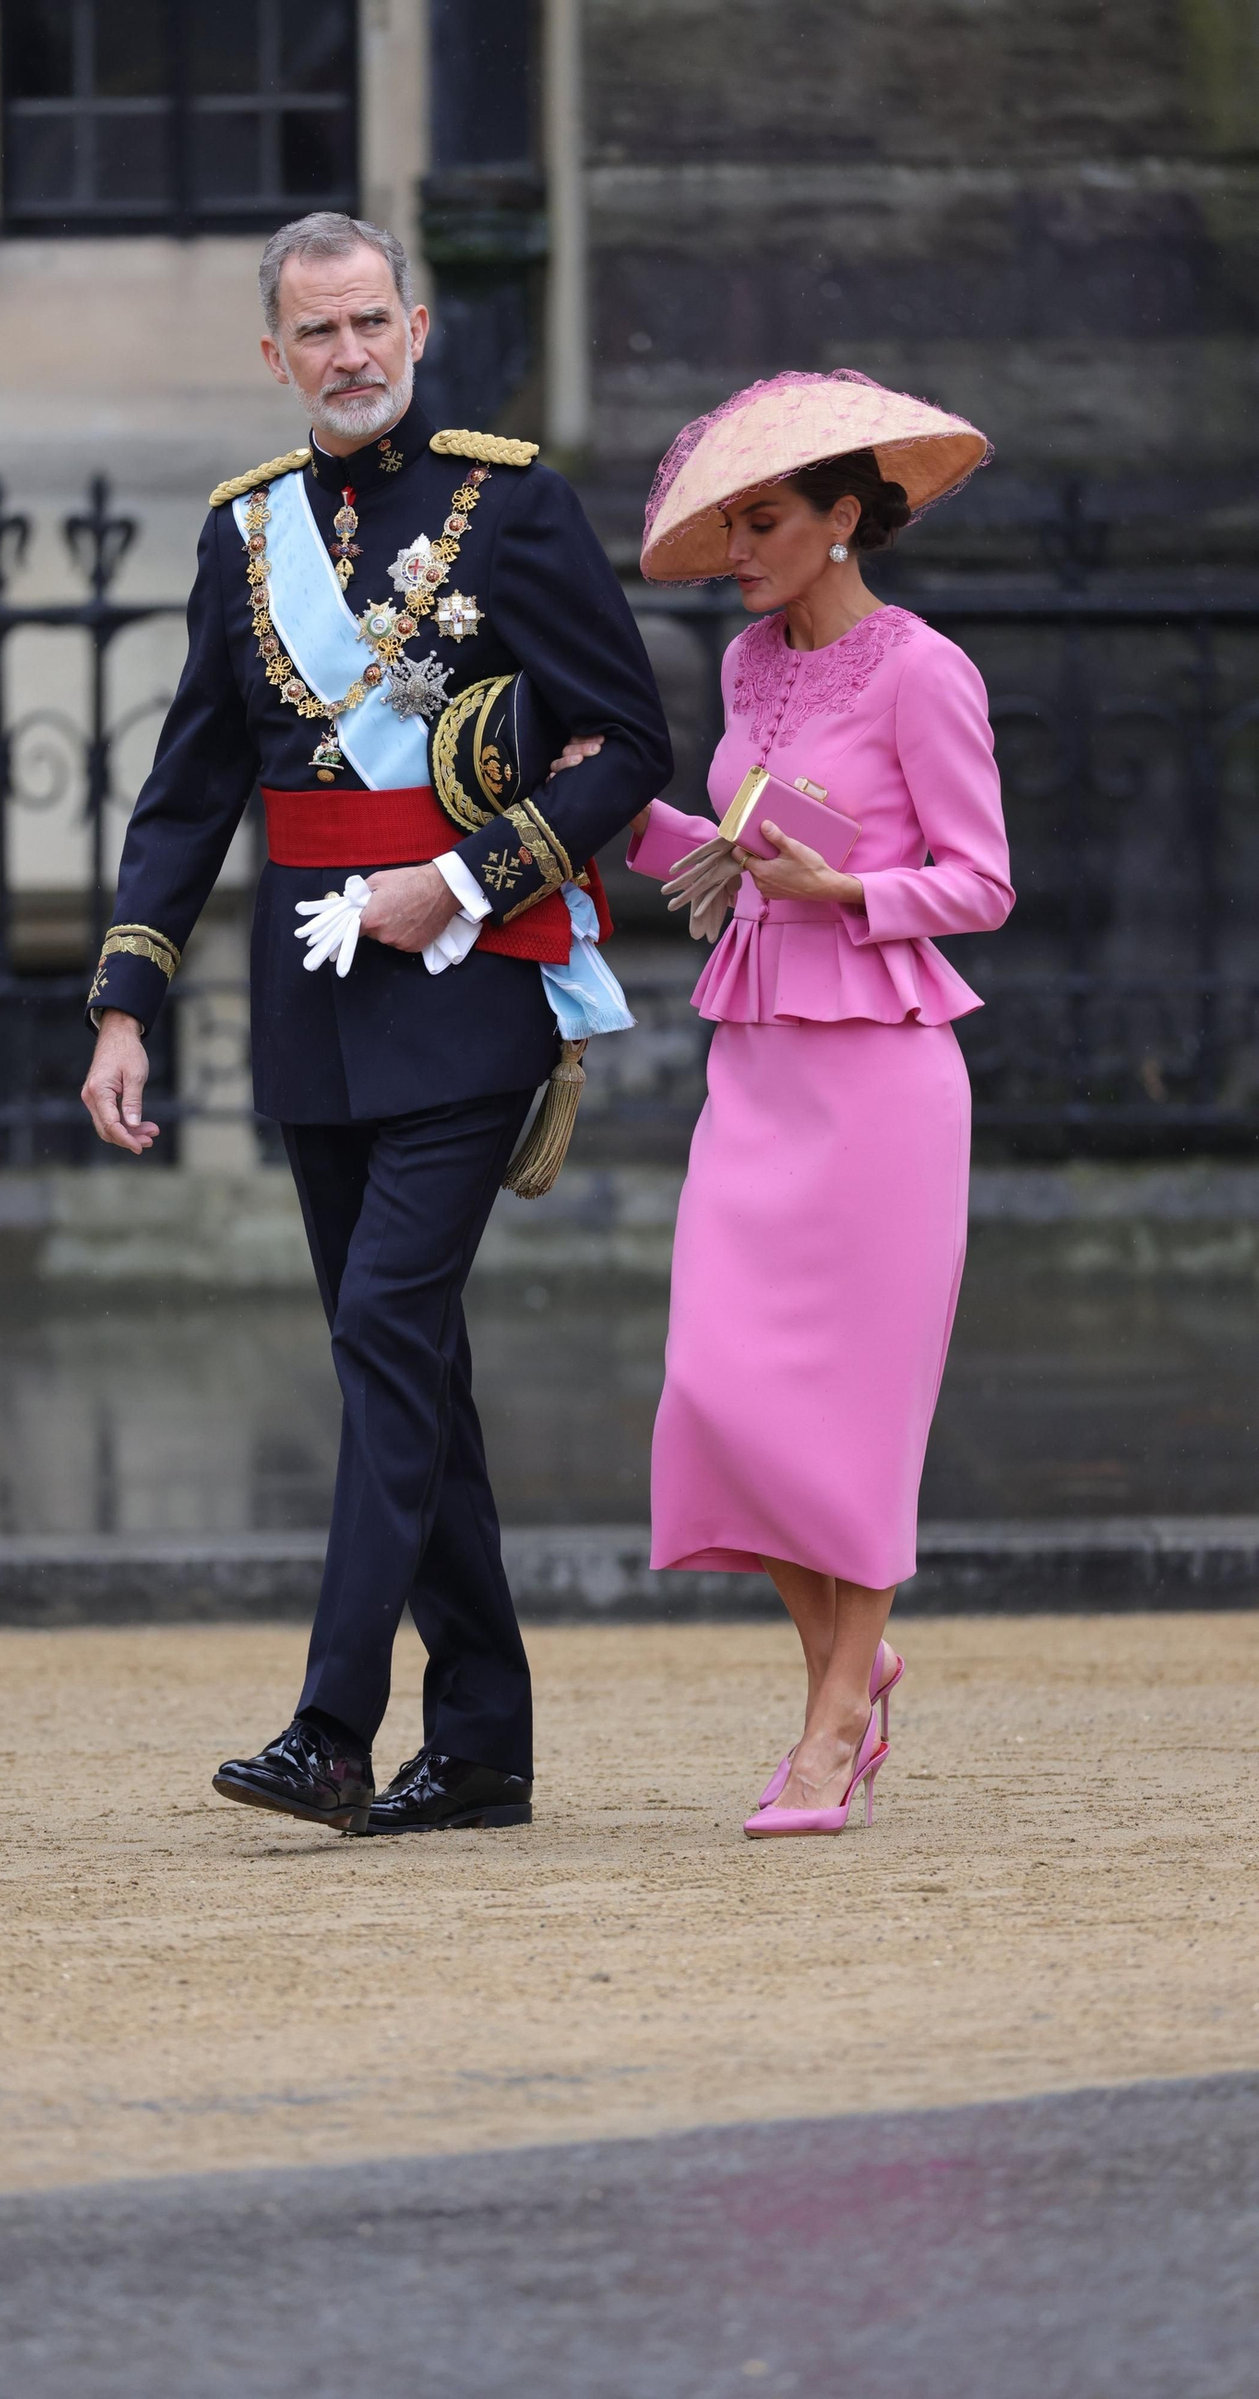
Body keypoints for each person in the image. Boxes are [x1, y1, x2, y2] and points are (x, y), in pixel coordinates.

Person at [80, 212, 672, 1837]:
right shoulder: (245, 532)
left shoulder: (515, 503)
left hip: (467, 997)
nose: (350, 357)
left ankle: (334, 1728)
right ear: (274, 355)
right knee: (413, 1372)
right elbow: (193, 788)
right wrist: (127, 998)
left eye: (372, 324)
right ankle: (482, 1742)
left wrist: (470, 886)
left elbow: (631, 739)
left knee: (383, 1341)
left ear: (417, 326)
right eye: (315, 334)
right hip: (310, 1008)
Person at [630, 369, 1013, 1838]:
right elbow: (724, 851)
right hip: (759, 1065)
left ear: (843, 519)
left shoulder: (926, 670)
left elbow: (980, 884)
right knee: (723, 1397)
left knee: (851, 1425)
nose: (740, 547)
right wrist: (600, 806)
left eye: (767, 519)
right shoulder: (742, 673)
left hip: (882, 1084)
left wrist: (841, 884)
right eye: (730, 523)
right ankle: (857, 1665)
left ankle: (835, 1719)